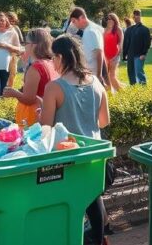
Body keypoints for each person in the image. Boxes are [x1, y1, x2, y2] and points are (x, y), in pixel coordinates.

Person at [40, 35, 111, 245]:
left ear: (60, 57)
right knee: (92, 200)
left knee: (67, 207)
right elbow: (104, 121)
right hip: (94, 155)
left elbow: (45, 128)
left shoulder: (55, 87)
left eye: (53, 57)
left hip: (66, 157)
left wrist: (41, 114)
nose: (52, 62)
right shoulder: (96, 82)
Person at [4, 28, 58, 127]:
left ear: (33, 45)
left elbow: (29, 99)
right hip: (47, 114)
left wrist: (13, 93)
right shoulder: (51, 63)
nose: (25, 46)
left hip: (33, 116)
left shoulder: (35, 68)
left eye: (26, 43)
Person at [67, 7, 107, 89]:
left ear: (81, 18)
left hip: (93, 75)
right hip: (90, 75)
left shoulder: (90, 31)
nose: (74, 25)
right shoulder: (89, 30)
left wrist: (99, 75)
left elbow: (99, 52)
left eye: (74, 21)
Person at [123, 10, 152, 86]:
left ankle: (143, 88)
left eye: (138, 15)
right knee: (131, 73)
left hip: (139, 55)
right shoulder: (129, 30)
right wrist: (125, 54)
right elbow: (126, 43)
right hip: (130, 55)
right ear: (132, 17)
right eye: (135, 15)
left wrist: (144, 53)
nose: (136, 16)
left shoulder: (145, 29)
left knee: (139, 72)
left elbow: (147, 43)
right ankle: (133, 89)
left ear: (140, 16)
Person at [103, 13, 124, 92]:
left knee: (112, 77)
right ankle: (111, 94)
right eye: (108, 19)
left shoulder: (118, 29)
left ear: (115, 20)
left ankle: (122, 92)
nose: (109, 20)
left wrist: (114, 57)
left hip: (115, 56)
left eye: (111, 19)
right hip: (105, 57)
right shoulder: (105, 30)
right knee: (107, 78)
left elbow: (120, 45)